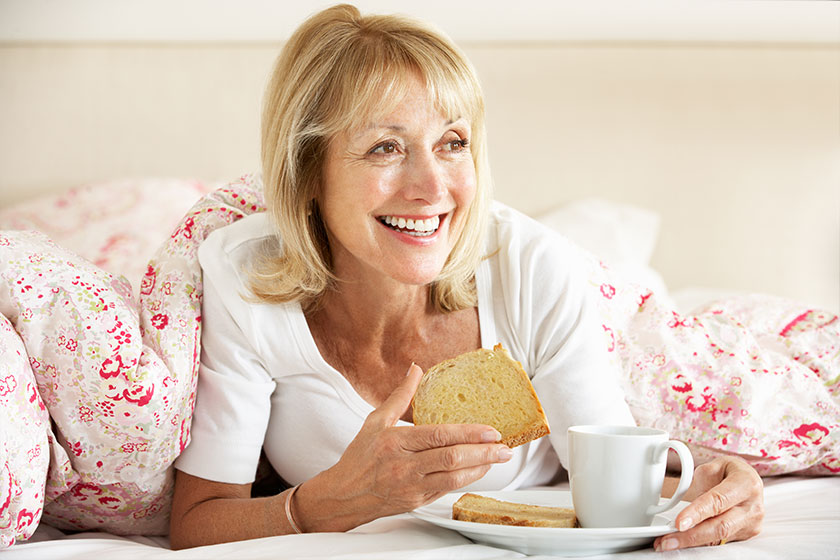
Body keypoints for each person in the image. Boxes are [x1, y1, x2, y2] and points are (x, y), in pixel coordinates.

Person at [169, 4, 763, 551]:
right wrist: (325, 504)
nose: (432, 188)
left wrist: (704, 484)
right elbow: (199, 521)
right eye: (384, 147)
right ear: (308, 174)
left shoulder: (531, 267)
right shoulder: (245, 278)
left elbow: (606, 462)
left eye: (452, 142)